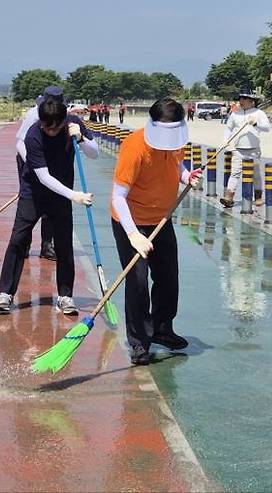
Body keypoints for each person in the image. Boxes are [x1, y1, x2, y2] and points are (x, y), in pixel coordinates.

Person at [110, 98, 200, 365]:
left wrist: (186, 177)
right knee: (137, 282)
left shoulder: (176, 142)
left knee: (168, 277)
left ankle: (162, 328)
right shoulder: (134, 147)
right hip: (131, 220)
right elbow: (118, 196)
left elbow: (176, 164)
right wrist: (133, 234)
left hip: (161, 218)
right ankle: (139, 342)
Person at [0, 98, 98, 316]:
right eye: (46, 126)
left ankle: (65, 296)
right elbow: (43, 177)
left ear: (63, 121)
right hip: (34, 193)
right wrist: (74, 196)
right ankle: (5, 293)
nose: (50, 131)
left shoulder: (73, 124)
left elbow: (94, 153)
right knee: (18, 239)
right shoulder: (33, 135)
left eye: (55, 127)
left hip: (60, 197)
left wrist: (80, 139)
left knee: (63, 244)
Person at [15, 87, 67, 261]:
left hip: (48, 163)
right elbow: (20, 143)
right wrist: (33, 164)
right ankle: (24, 245)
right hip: (28, 161)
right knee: (29, 206)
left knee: (49, 207)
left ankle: (46, 245)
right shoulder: (33, 115)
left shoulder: (62, 116)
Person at [220, 88, 270, 208]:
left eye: (244, 99)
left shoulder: (259, 113)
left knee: (256, 174)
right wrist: (225, 140)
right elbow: (228, 128)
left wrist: (255, 123)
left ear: (251, 100)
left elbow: (267, 128)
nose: (241, 101)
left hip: (253, 149)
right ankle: (229, 197)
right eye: (240, 99)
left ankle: (258, 197)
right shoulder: (235, 114)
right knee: (235, 173)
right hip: (238, 149)